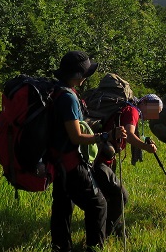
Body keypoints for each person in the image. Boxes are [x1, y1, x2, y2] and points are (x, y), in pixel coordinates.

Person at [50, 50, 127, 252]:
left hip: (56, 161)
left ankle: (60, 247)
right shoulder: (68, 98)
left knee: (62, 207)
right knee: (98, 204)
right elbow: (75, 137)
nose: (86, 77)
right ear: (77, 76)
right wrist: (105, 136)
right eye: (84, 73)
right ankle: (93, 248)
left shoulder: (56, 90)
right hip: (71, 163)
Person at [92, 94, 161, 236]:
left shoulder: (130, 110)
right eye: (154, 111)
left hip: (102, 157)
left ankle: (117, 230)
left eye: (157, 113)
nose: (154, 116)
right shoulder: (133, 111)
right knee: (121, 196)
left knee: (109, 196)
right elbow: (129, 135)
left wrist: (145, 139)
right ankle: (103, 236)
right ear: (145, 103)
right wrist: (145, 147)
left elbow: (130, 131)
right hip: (100, 159)